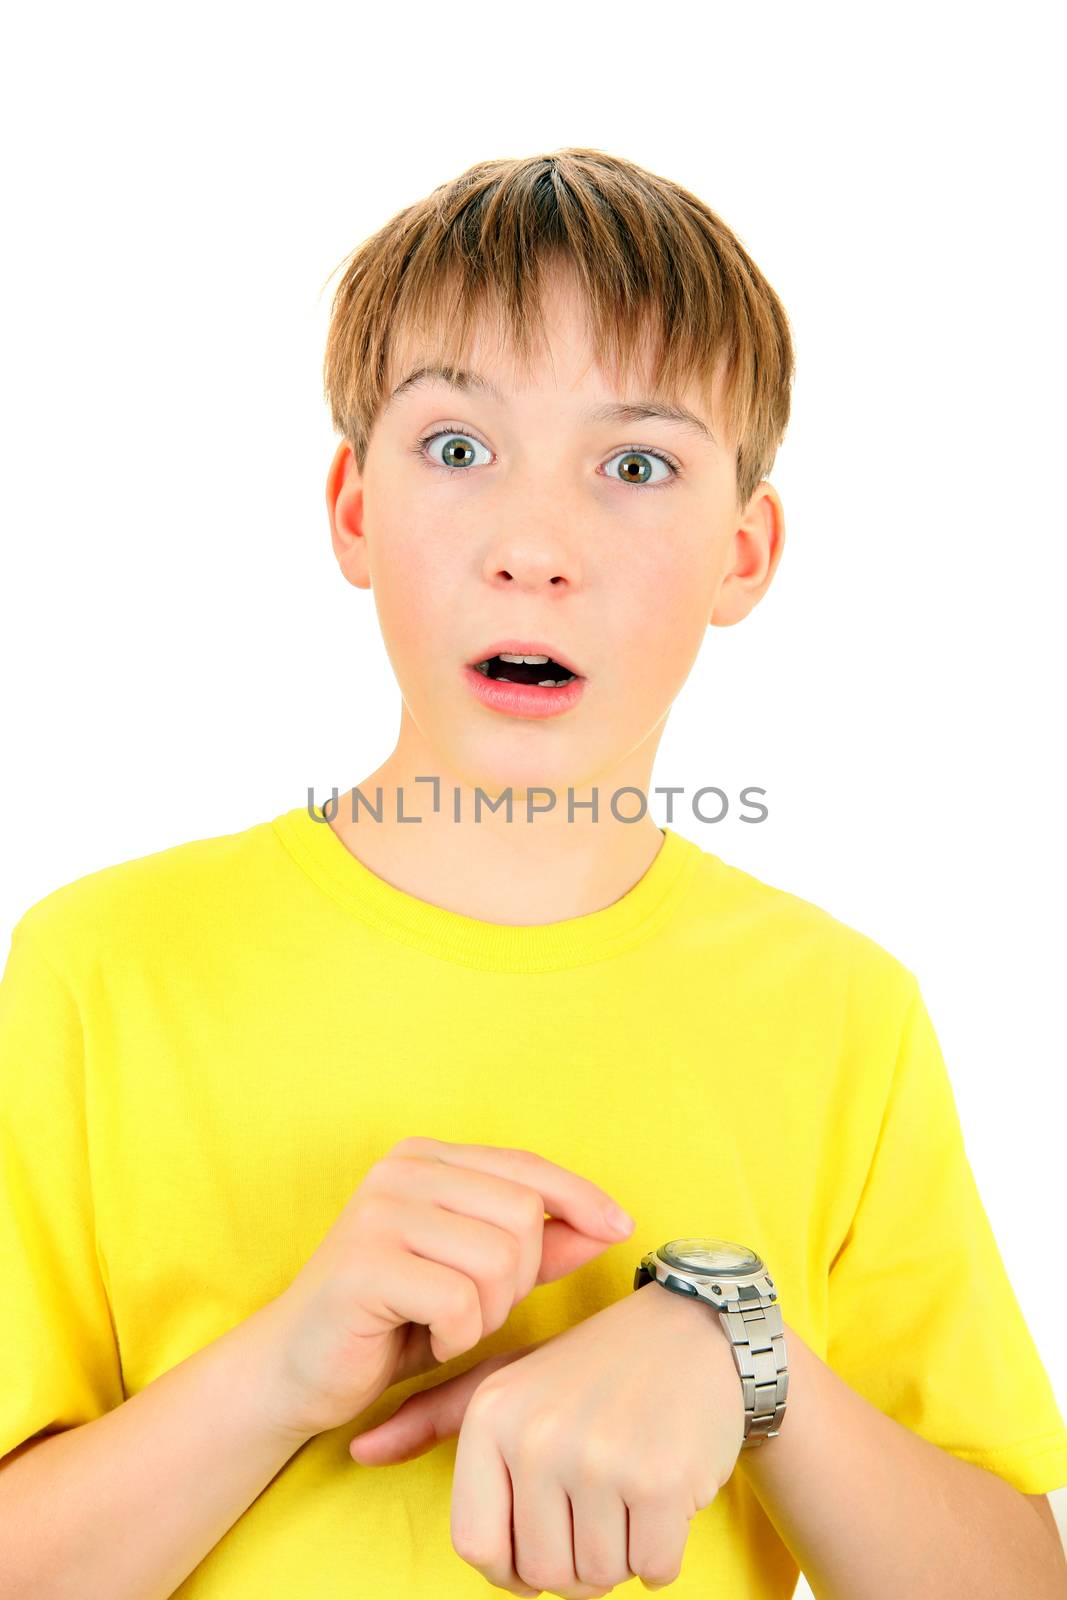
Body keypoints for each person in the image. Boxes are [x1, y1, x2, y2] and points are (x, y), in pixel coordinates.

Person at [1, 148, 1065, 1600]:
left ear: (744, 554)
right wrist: (281, 1368)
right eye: (456, 447)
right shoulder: (100, 969)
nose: (535, 547)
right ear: (354, 510)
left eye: (636, 466)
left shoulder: (846, 1015)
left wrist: (744, 1359)